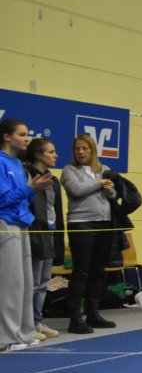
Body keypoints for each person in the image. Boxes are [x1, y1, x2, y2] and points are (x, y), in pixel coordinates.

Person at [1, 119, 50, 351]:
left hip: (22, 223)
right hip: (5, 224)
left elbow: (23, 198)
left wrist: (34, 190)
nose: (26, 139)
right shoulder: (1, 162)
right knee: (10, 284)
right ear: (6, 137)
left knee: (25, 282)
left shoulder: (19, 165)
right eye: (21, 134)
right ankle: (6, 338)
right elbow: (3, 200)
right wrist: (29, 189)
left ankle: (24, 332)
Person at [61, 134, 117, 334]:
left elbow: (113, 195)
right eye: (77, 148)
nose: (81, 152)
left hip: (104, 223)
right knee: (81, 271)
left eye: (85, 148)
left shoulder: (103, 169)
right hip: (81, 224)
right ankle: (75, 318)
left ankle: (93, 314)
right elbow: (76, 190)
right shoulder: (69, 170)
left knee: (98, 271)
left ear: (93, 150)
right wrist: (101, 183)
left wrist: (110, 189)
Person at [25, 137, 63, 339]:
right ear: (38, 155)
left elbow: (55, 210)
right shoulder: (27, 174)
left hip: (50, 232)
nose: (56, 155)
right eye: (51, 152)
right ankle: (26, 325)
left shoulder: (53, 180)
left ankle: (37, 322)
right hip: (35, 232)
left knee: (43, 282)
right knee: (32, 282)